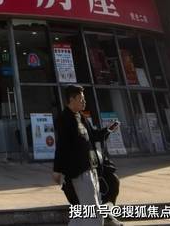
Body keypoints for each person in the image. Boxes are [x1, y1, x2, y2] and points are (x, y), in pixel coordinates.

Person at [52, 85, 122, 226]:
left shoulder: (82, 117)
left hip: (91, 168)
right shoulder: (64, 119)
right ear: (72, 99)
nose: (84, 102)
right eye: (81, 99)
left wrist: (108, 129)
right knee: (94, 213)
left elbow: (94, 135)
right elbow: (62, 146)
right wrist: (57, 170)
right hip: (79, 172)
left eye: (84, 99)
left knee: (84, 213)